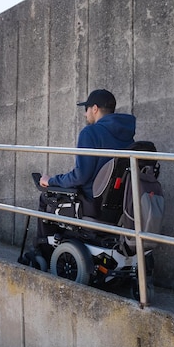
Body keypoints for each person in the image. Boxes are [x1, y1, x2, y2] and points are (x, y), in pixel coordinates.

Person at [36, 89, 136, 241]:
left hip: (93, 204)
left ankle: (41, 248)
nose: (85, 114)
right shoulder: (129, 138)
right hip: (120, 206)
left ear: (94, 109)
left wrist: (51, 181)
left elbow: (81, 175)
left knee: (46, 197)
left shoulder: (90, 132)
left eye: (86, 109)